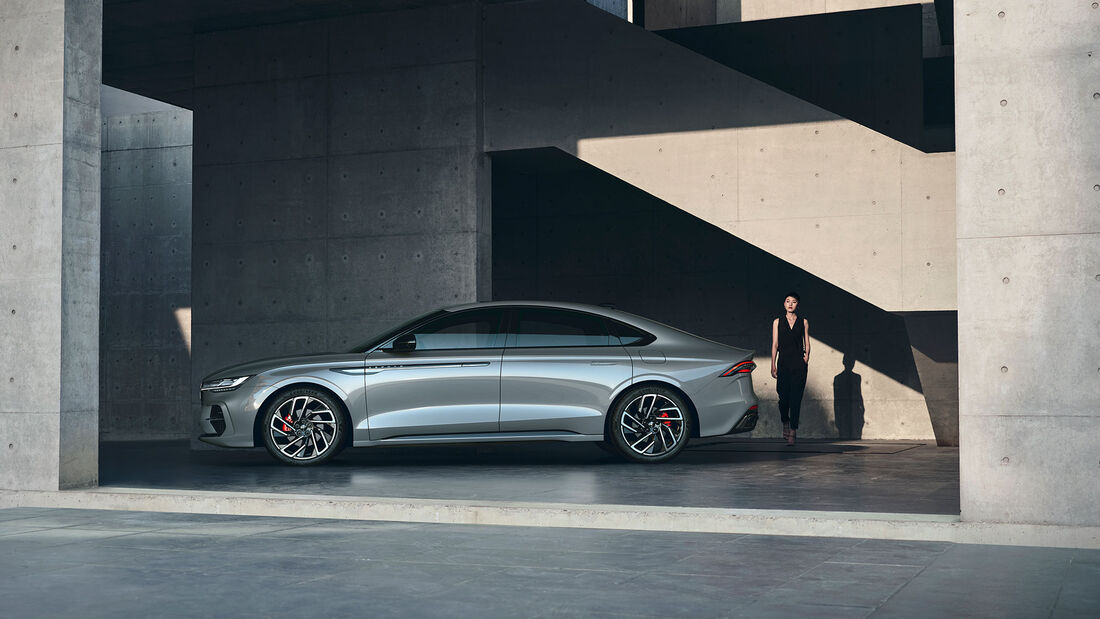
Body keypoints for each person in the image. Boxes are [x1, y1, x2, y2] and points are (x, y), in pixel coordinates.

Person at [771, 292, 810, 446]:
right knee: (783, 399)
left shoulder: (804, 322)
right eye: (788, 301)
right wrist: (772, 363)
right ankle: (785, 421)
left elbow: (806, 341)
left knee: (796, 399)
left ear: (797, 304)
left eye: (793, 302)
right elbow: (775, 344)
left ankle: (793, 430)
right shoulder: (777, 322)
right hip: (783, 364)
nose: (790, 304)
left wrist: (806, 358)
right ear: (784, 304)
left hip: (799, 365)